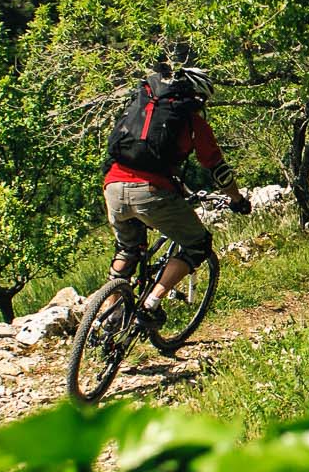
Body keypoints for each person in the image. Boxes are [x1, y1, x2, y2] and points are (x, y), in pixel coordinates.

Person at [103, 62, 251, 333]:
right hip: (150, 193)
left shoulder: (138, 109)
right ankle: (151, 304)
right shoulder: (192, 122)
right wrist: (237, 199)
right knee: (199, 244)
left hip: (112, 186)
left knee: (127, 250)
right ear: (196, 97)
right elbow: (218, 170)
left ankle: (108, 319)